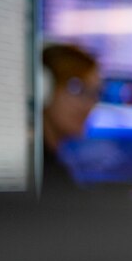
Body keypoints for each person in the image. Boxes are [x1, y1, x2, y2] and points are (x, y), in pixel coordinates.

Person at [41, 43, 101, 193]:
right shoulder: (36, 171)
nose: (89, 105)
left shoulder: (57, 168)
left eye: (94, 93)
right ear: (43, 88)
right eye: (77, 89)